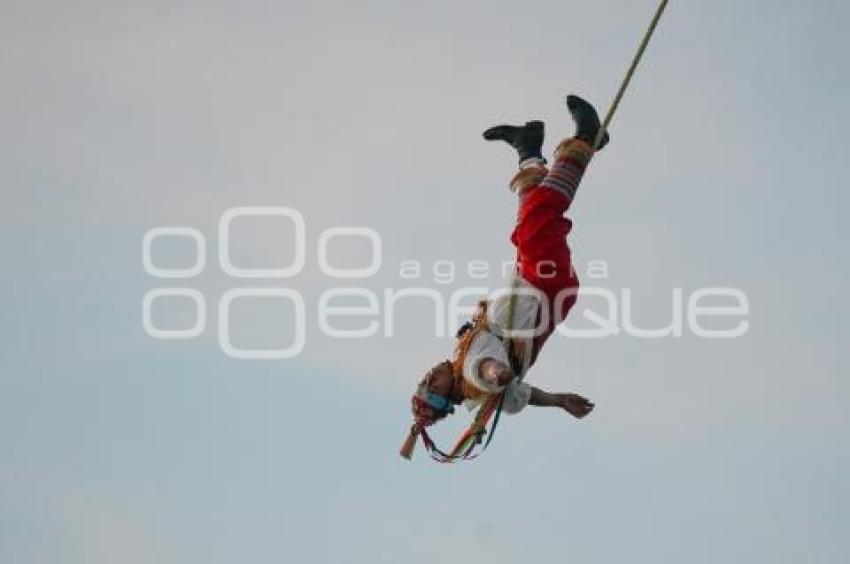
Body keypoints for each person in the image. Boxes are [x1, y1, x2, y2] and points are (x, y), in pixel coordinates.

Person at [408, 95, 609, 439]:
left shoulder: (480, 393)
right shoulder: (472, 374)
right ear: (448, 394)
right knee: (535, 224)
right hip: (543, 288)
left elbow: (521, 396)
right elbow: (490, 369)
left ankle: (528, 148)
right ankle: (587, 140)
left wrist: (559, 400)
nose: (429, 375)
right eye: (432, 384)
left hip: (536, 287)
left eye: (423, 380)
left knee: (527, 226)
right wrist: (498, 373)